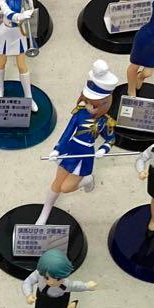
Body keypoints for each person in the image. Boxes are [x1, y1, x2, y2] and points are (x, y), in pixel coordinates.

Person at [36, 60, 118, 226]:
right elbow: (67, 132)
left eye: (92, 105)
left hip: (85, 155)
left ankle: (87, 180)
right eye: (86, 101)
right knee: (57, 183)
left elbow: (111, 139)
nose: (87, 106)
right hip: (70, 149)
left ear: (104, 104)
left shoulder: (105, 121)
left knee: (65, 188)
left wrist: (103, 149)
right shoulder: (79, 114)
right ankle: (44, 214)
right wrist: (57, 149)